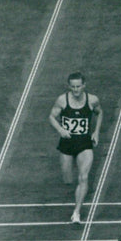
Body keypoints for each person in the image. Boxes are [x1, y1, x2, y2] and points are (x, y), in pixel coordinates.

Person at [48, 71, 103, 225]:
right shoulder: (62, 100)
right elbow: (51, 116)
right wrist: (60, 130)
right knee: (68, 179)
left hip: (84, 143)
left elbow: (100, 113)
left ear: (84, 86)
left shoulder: (92, 100)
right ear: (69, 87)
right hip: (67, 143)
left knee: (83, 177)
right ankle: (76, 190)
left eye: (78, 86)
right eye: (73, 87)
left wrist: (96, 132)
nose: (76, 90)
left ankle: (76, 212)